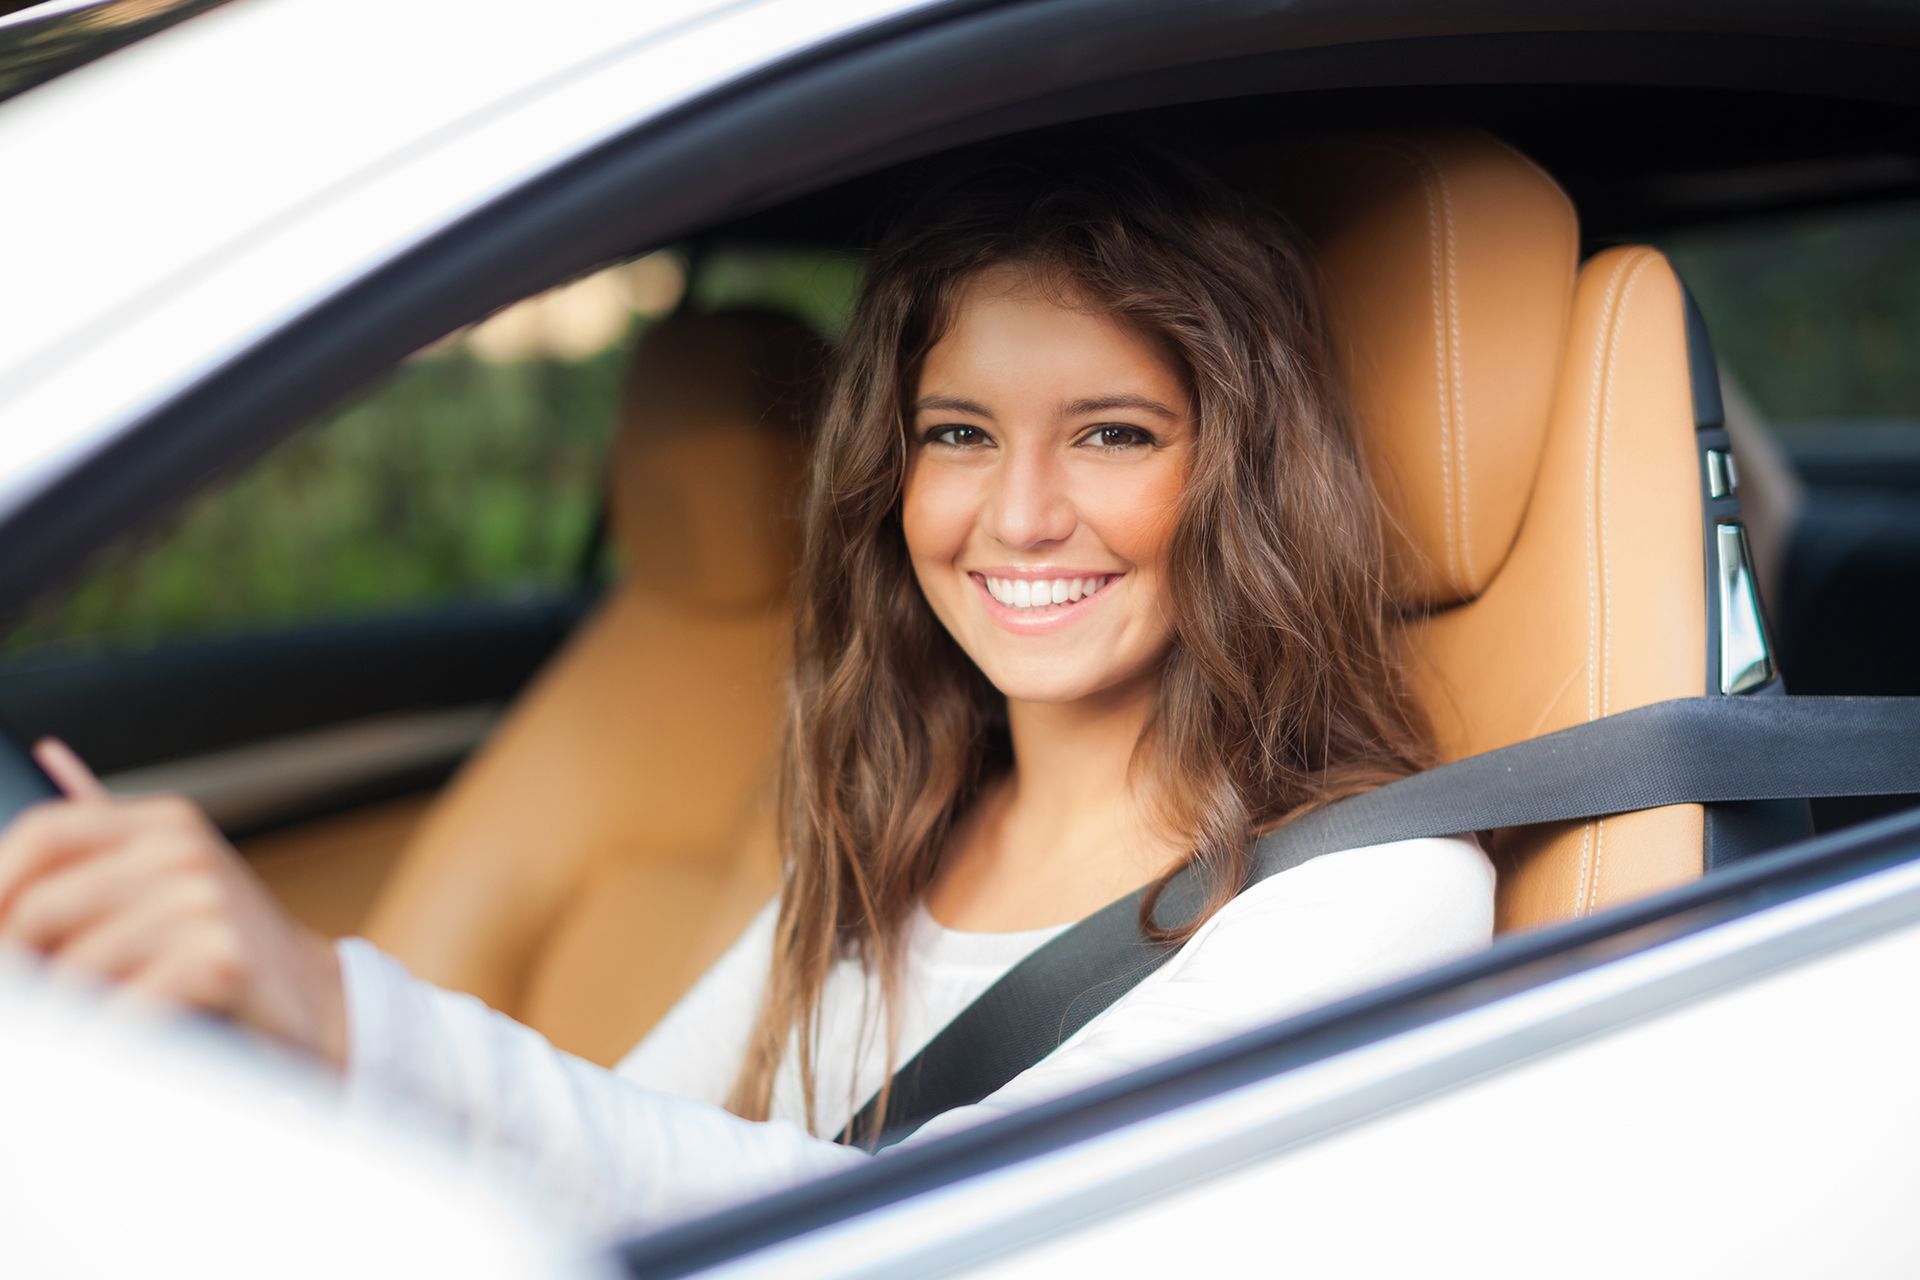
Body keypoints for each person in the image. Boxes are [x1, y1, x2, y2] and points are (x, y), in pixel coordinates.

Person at [0, 149, 1494, 1237]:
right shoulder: (895, 823)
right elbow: (610, 1129)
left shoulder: (1371, 896)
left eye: (1111, 434)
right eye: (961, 433)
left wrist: (340, 1013)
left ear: (1243, 478)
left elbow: (921, 1236)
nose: (1020, 515)